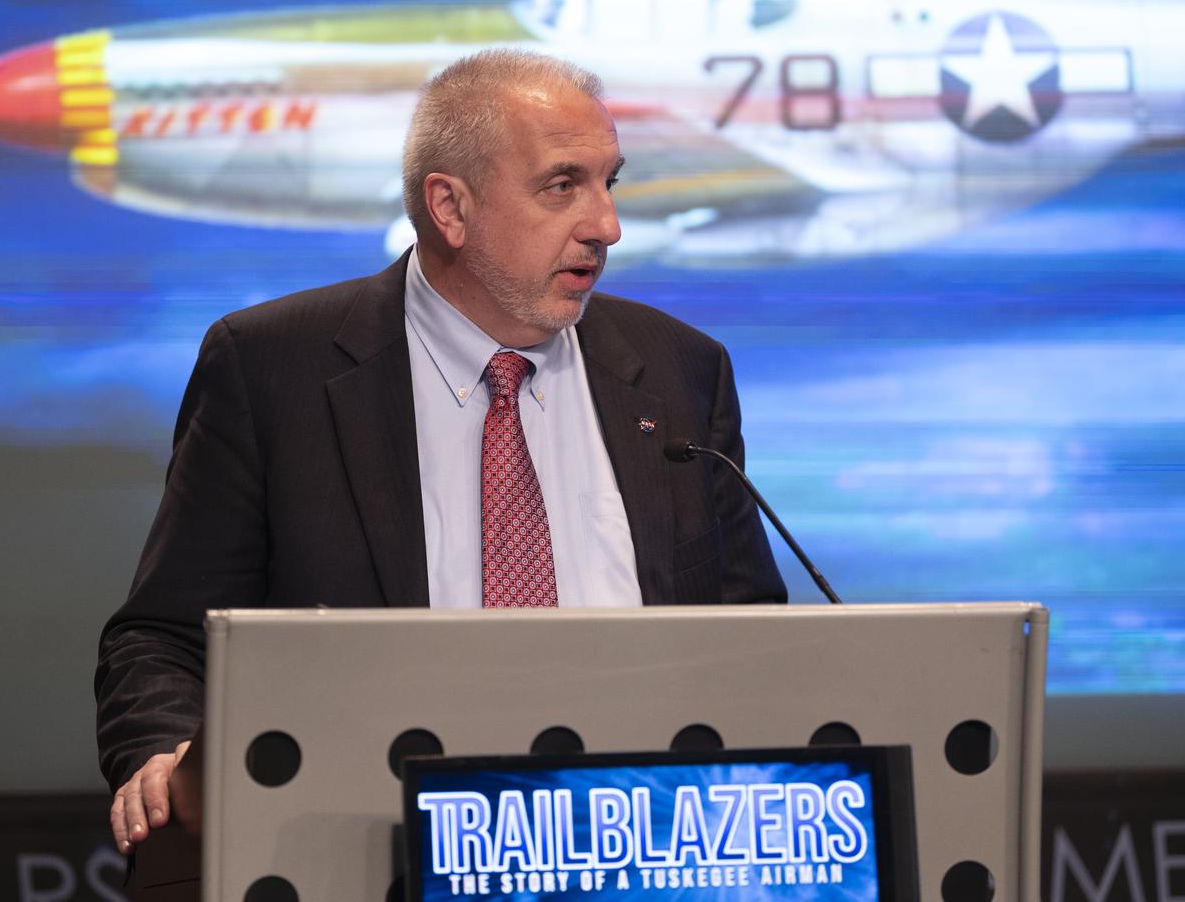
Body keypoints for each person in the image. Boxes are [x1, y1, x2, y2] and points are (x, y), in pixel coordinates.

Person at [96, 49, 786, 854]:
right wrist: (164, 752)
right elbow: (166, 634)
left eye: (611, 182)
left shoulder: (678, 371)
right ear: (450, 208)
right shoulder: (272, 366)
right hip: (368, 845)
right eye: (563, 185)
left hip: (645, 844)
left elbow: (753, 637)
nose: (606, 224)